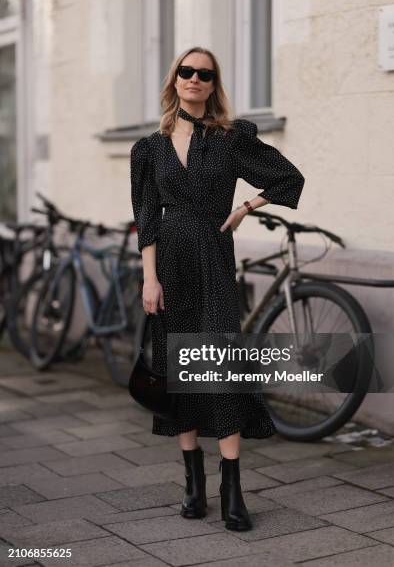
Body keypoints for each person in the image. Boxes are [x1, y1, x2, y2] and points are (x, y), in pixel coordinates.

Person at [130, 46, 305, 531]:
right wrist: (150, 276)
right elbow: (146, 216)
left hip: (213, 255)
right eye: (186, 72)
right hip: (169, 264)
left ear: (213, 84)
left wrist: (247, 206)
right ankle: (193, 485)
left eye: (204, 74)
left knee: (220, 367)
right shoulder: (149, 147)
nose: (194, 79)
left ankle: (233, 490)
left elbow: (288, 177)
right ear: (174, 80)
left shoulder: (231, 138)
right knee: (181, 369)